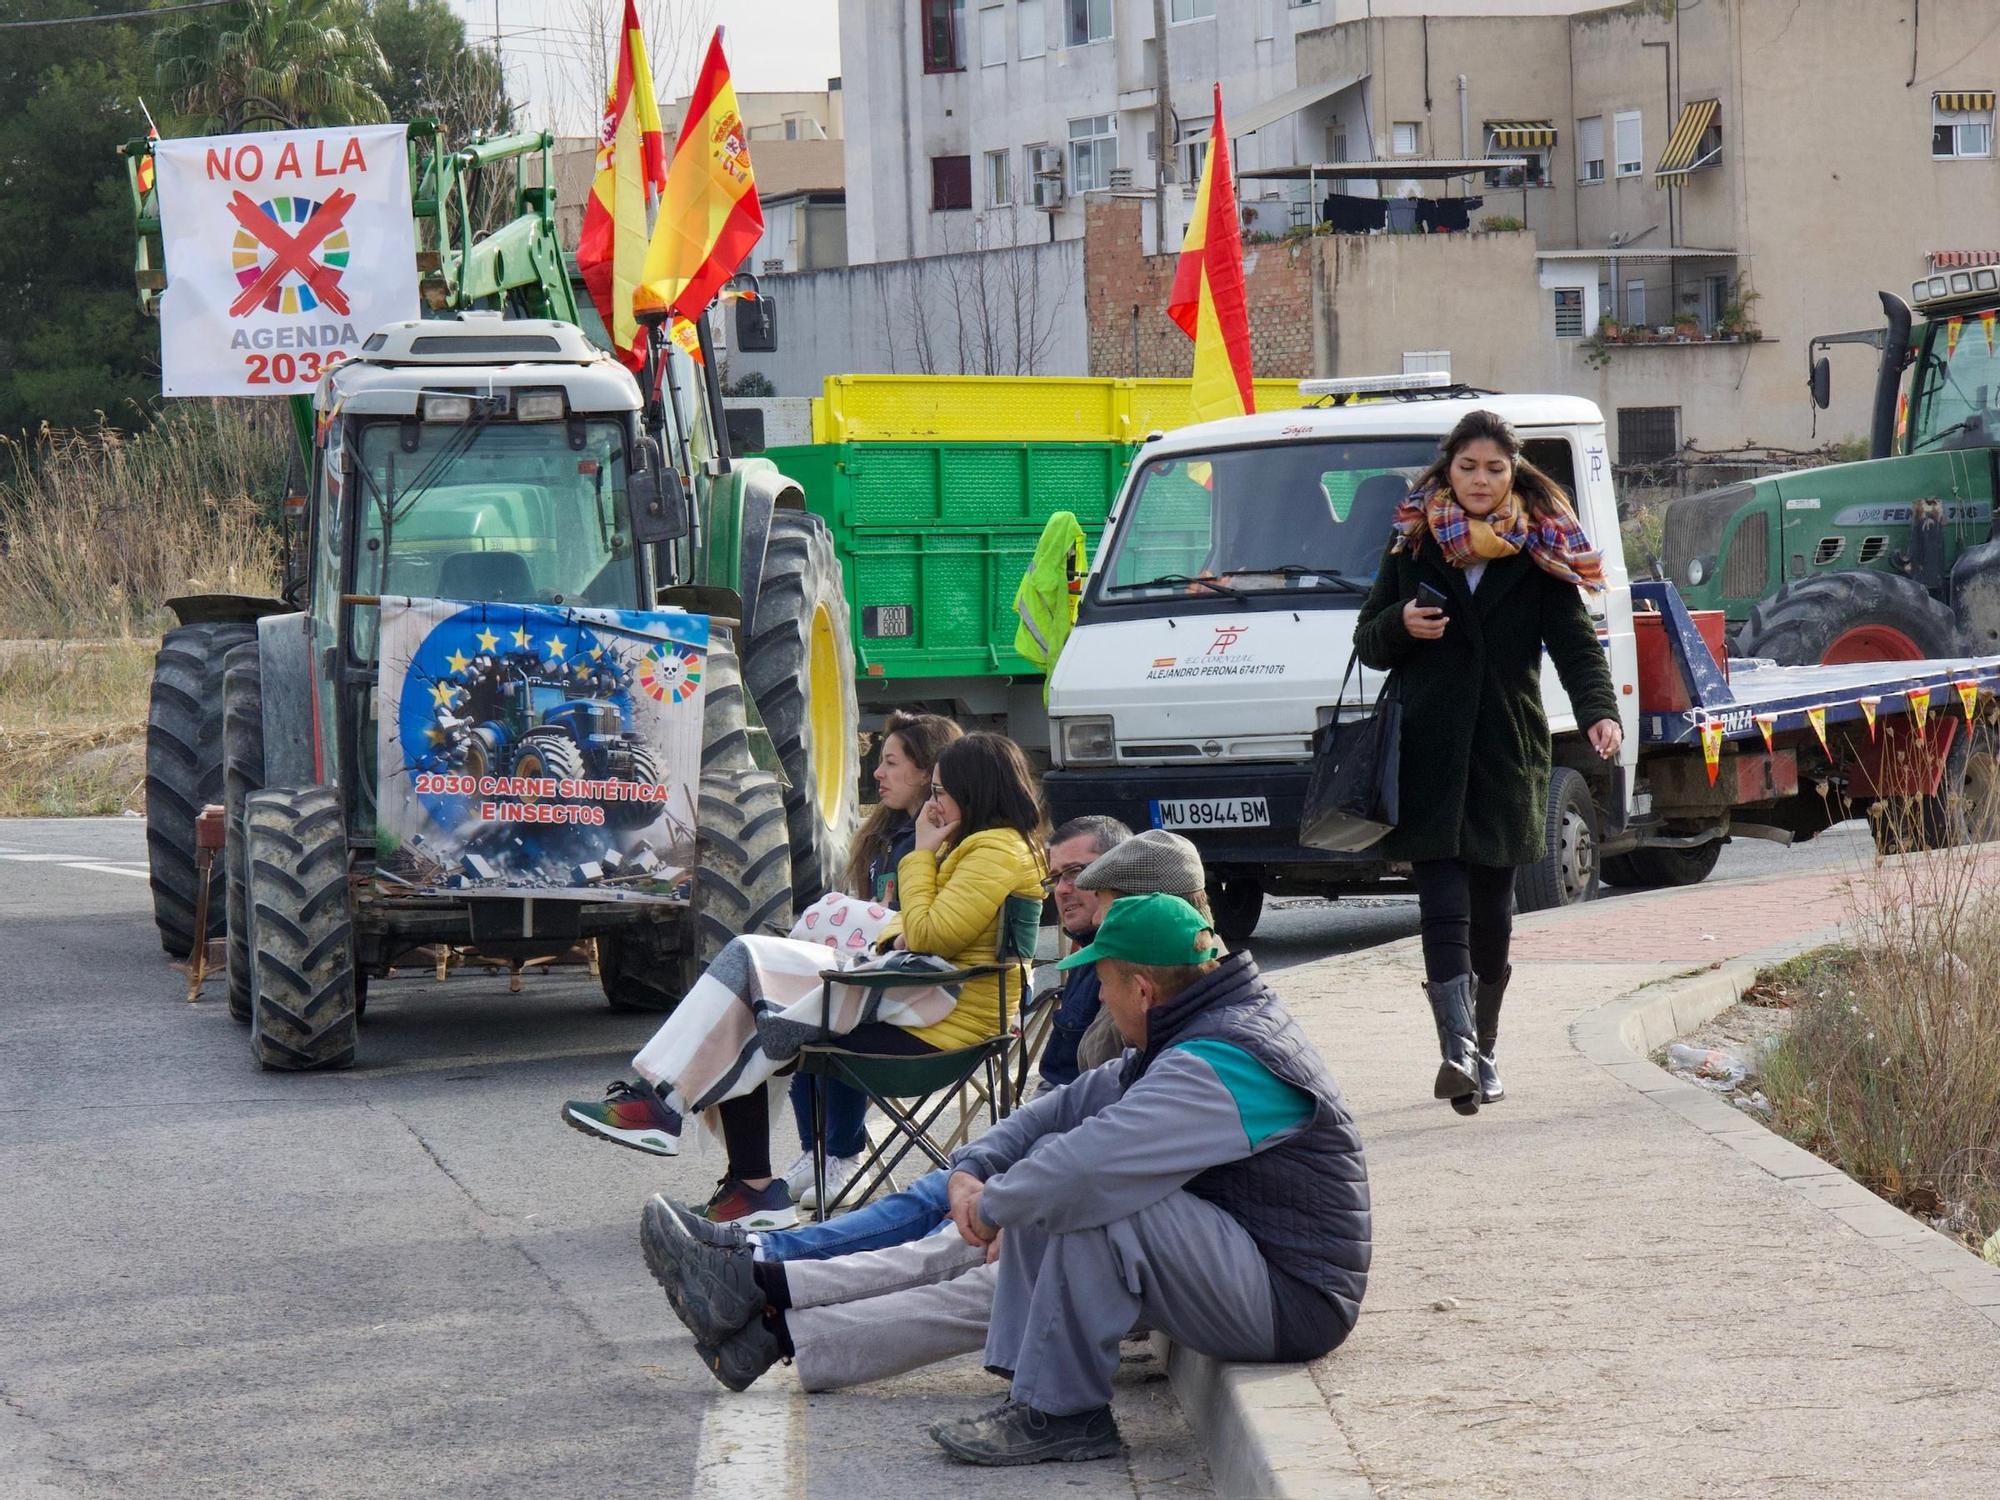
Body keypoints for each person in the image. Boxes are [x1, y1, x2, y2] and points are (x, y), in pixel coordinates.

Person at [643, 895, 1371, 1472]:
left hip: (1290, 1298)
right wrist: (976, 1167)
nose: (1101, 1000)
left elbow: (1090, 1162)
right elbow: (1068, 1107)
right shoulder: (1194, 1026)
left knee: (1084, 1204)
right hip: (1239, 1263)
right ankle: (775, 1324)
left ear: (1143, 989)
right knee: (1042, 1216)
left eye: (1104, 983)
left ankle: (1062, 1416)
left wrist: (993, 1205)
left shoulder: (1222, 1060)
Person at [632, 834, 1225, 1400]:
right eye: (1062, 876)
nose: (1070, 893)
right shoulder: (1153, 990)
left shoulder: (1201, 1040)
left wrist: (1006, 1205)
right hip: (1138, 1207)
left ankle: (762, 1292)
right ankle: (763, 1303)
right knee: (958, 1219)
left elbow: (1105, 1148)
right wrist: (983, 1166)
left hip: (1216, 1261)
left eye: (1091, 885)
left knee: (975, 1251)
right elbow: (1075, 1103)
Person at [560, 732, 1047, 1228]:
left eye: (941, 792)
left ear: (975, 791)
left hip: (943, 1023)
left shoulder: (995, 849)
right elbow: (906, 925)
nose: (934, 804)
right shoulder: (984, 847)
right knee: (754, 1000)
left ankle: (668, 1110)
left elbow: (924, 931)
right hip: (922, 996)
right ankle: (740, 1181)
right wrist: (905, 928)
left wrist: (919, 855)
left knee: (751, 962)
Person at [1352, 409, 1622, 1115]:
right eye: (1468, 467)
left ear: (1513, 473)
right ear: (1448, 471)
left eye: (1494, 468)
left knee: (1493, 913)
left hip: (1507, 750)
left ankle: (1487, 1047)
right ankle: (1457, 1053)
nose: (1480, 480)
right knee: (1441, 903)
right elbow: (1368, 639)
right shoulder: (1412, 542)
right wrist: (1400, 625)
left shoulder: (1539, 551)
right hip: (1429, 752)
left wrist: (1600, 713)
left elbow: (1576, 645)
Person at [782, 711, 962, 1212]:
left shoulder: (945, 840)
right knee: (799, 1015)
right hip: (878, 972)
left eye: (890, 762)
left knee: (830, 1021)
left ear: (928, 772)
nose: (876, 775)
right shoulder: (882, 835)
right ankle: (814, 1148)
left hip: (926, 988)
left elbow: (928, 927)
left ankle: (843, 1154)